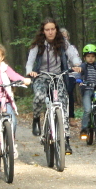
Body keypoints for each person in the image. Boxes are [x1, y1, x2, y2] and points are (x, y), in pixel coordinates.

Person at [25, 18, 82, 155]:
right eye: (47, 30)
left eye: (52, 29)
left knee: (63, 106)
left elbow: (74, 56)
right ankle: (36, 119)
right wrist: (30, 71)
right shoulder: (38, 45)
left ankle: (66, 140)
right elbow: (30, 62)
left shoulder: (63, 43)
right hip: (42, 76)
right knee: (39, 97)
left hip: (58, 77)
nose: (50, 32)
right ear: (43, 31)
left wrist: (76, 65)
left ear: (56, 30)